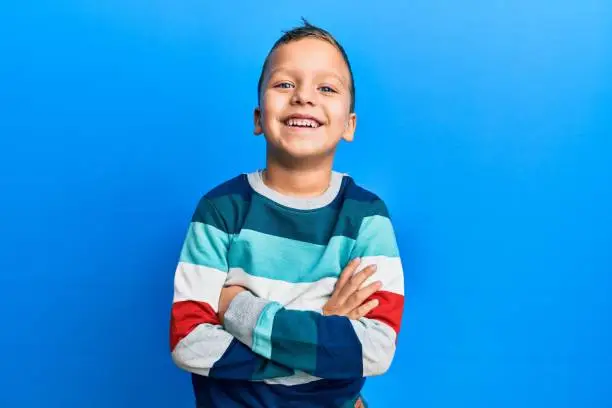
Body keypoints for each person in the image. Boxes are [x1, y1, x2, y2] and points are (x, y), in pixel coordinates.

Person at [169, 18, 405, 408]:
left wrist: (238, 309)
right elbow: (189, 344)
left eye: (326, 88)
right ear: (259, 118)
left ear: (349, 125)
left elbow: (375, 351)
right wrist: (325, 330)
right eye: (284, 84)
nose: (303, 97)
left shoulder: (366, 218)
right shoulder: (221, 210)